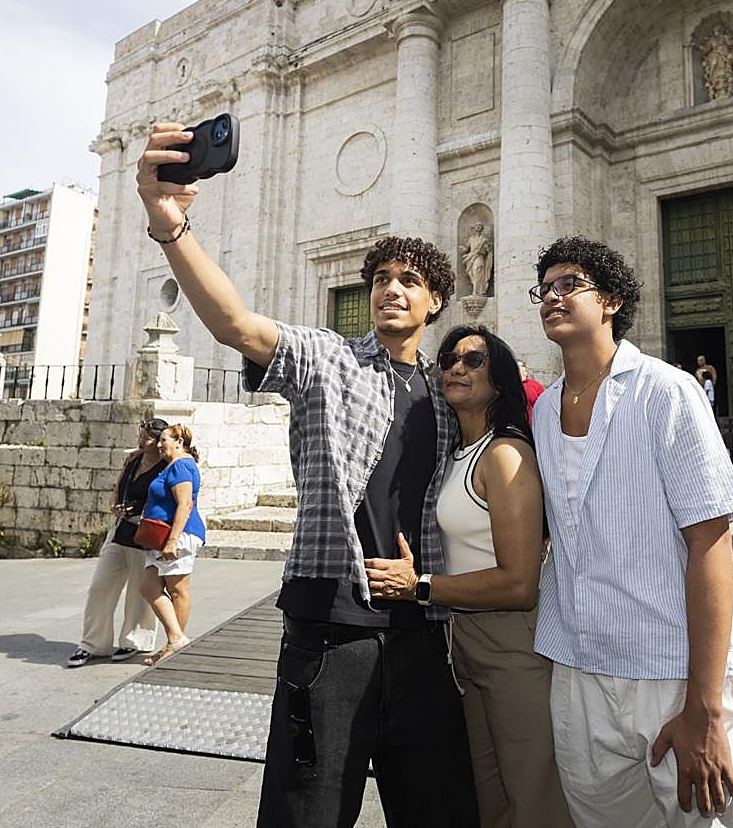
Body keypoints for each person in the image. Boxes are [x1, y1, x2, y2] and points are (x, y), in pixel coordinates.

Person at [135, 123, 477, 828]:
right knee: (305, 817)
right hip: (329, 634)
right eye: (381, 278)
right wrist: (172, 229)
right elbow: (234, 323)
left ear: (436, 301)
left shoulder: (452, 394)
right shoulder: (327, 360)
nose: (390, 289)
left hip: (424, 638)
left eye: (409, 281)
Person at [529, 236, 733, 828]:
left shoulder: (667, 392)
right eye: (545, 288)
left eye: (570, 285)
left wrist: (705, 709)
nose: (552, 297)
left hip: (672, 668)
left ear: (611, 300)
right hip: (580, 668)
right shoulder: (543, 410)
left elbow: (711, 544)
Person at [367, 325, 574, 828]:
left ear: (500, 381)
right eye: (449, 359)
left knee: (534, 798)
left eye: (474, 360)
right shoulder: (458, 454)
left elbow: (519, 584)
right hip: (464, 644)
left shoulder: (505, 455)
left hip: (511, 645)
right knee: (490, 801)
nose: (457, 367)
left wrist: (418, 586)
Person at [67, 417, 167, 667]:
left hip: (146, 535)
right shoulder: (133, 459)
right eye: (141, 433)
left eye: (148, 437)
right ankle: (92, 643)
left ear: (159, 441)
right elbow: (119, 484)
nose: (142, 439)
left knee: (138, 592)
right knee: (100, 587)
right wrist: (115, 503)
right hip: (121, 530)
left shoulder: (167, 465)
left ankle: (135, 641)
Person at [139, 423, 204, 664]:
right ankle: (176, 638)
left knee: (178, 590)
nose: (159, 444)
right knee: (148, 586)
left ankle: (173, 644)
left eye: (163, 439)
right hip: (161, 537)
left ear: (179, 441)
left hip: (178, 535)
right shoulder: (172, 465)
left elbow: (185, 504)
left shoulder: (182, 466)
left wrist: (173, 540)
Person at [519, 358, 545, 425]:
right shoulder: (510, 385)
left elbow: (544, 404)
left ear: (525, 371)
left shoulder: (535, 385)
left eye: (520, 366)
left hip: (533, 425)